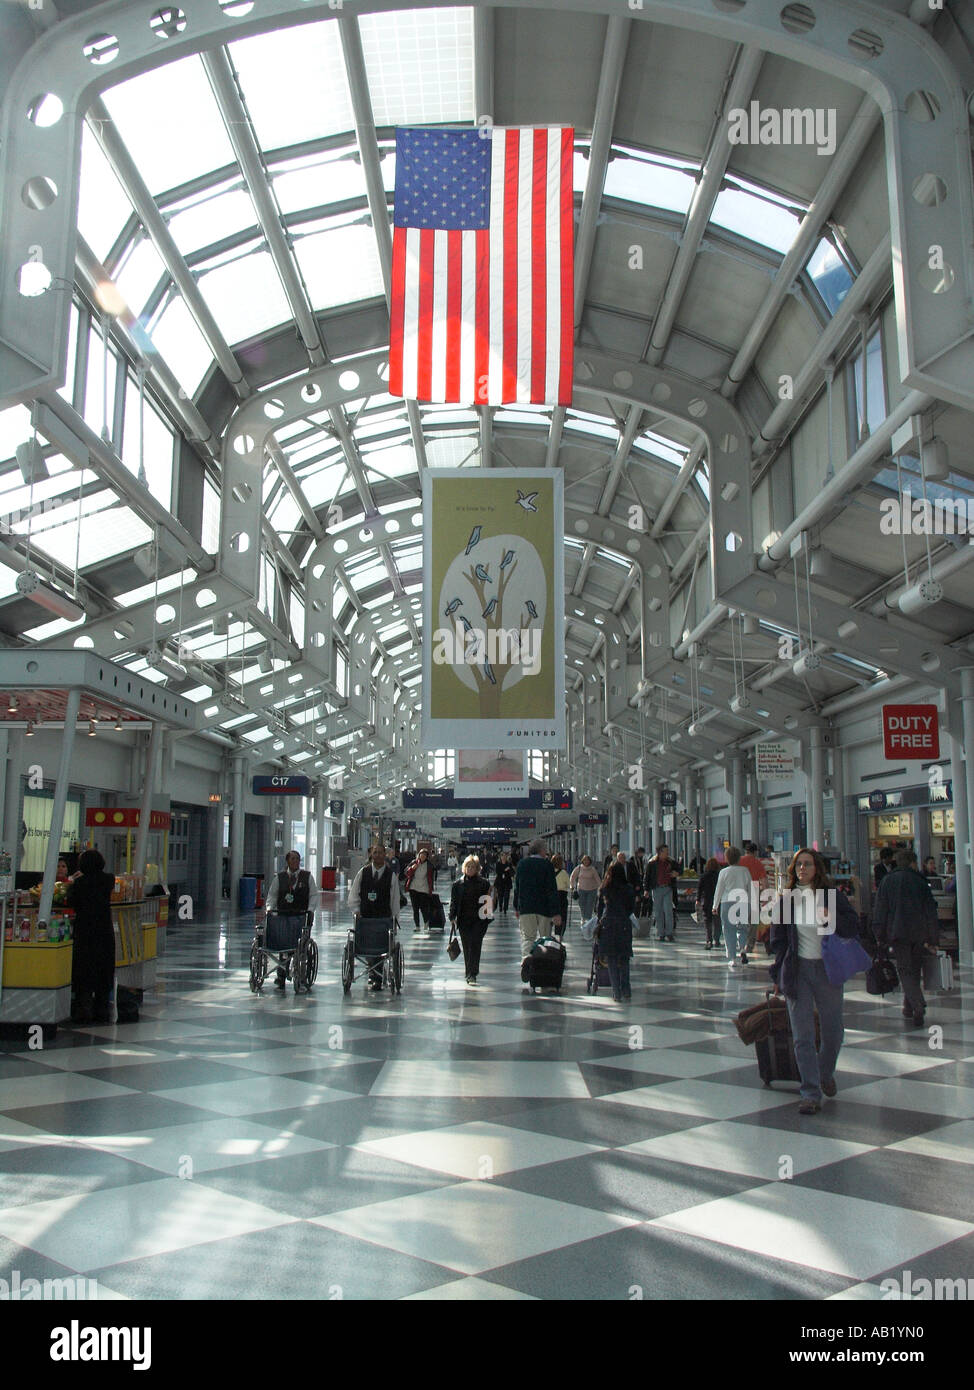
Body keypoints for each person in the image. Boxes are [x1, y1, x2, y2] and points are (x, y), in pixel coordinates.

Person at [769, 847, 863, 1115]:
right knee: (803, 1035)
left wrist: (831, 918)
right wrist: (777, 974)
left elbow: (853, 924)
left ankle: (824, 1072)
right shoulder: (787, 900)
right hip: (798, 970)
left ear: (816, 869)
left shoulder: (830, 896)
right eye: (799, 865)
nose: (802, 869)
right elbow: (778, 940)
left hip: (826, 970)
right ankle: (810, 1092)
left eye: (807, 864)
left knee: (833, 1031)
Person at [872, 848, 939, 1027]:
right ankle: (909, 1006)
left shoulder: (887, 881)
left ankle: (916, 1004)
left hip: (897, 933)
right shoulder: (920, 882)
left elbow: (880, 909)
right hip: (919, 933)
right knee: (914, 969)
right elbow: (930, 911)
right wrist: (933, 939)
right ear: (912, 862)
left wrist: (879, 934)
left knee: (905, 969)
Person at [66, 849, 116, 1025]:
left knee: (83, 970)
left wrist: (73, 881)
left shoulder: (79, 883)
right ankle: (102, 1010)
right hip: (104, 930)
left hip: (85, 930)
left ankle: (83, 1011)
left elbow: (71, 900)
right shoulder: (108, 879)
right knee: (103, 969)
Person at [348, 841, 404, 991]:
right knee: (368, 946)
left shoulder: (391, 876)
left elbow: (394, 899)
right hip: (365, 918)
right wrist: (356, 910)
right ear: (371, 855)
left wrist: (394, 919)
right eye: (375, 852)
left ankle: (376, 976)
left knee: (380, 947)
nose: (377, 855)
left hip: (383, 918)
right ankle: (375, 974)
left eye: (380, 853)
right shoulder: (363, 873)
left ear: (385, 856)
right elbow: (354, 894)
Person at [264, 849, 319, 991]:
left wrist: (310, 909)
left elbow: (313, 895)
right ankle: (281, 974)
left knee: (299, 944)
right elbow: (272, 895)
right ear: (287, 861)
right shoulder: (280, 878)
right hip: (283, 915)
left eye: (297, 859)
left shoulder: (307, 877)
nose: (295, 861)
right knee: (283, 945)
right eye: (292, 859)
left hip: (300, 916)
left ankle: (301, 974)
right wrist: (270, 908)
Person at [513, 838, 561, 962]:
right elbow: (552, 890)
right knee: (545, 937)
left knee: (528, 937)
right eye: (545, 849)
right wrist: (556, 912)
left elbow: (517, 887)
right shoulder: (547, 865)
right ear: (541, 850)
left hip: (526, 907)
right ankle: (543, 962)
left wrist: (516, 907)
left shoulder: (522, 864)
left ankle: (526, 960)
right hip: (544, 908)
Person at [449, 854, 495, 985]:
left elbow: (489, 901)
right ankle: (468, 971)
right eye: (468, 866)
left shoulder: (484, 883)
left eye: (472, 867)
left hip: (478, 920)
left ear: (477, 869)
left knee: (475, 945)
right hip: (463, 920)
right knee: (467, 946)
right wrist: (452, 917)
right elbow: (454, 902)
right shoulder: (457, 884)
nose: (470, 869)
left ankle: (472, 973)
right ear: (464, 868)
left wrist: (488, 917)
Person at [597, 861, 636, 1002]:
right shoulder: (629, 889)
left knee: (612, 959)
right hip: (624, 924)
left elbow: (599, 909)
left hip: (609, 925)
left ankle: (616, 991)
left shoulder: (605, 888)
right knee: (624, 958)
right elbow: (631, 908)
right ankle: (626, 989)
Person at [712, 846, 753, 969]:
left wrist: (715, 905)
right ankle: (743, 948)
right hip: (743, 902)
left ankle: (732, 958)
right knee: (743, 928)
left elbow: (719, 890)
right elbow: (750, 887)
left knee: (729, 930)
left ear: (727, 858)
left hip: (727, 902)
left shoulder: (723, 872)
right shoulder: (745, 871)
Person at [645, 844, 681, 941]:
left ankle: (669, 933)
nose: (667, 853)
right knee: (658, 911)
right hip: (656, 889)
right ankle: (661, 933)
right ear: (660, 852)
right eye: (665, 851)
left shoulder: (671, 862)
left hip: (668, 888)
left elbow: (679, 869)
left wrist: (677, 873)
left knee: (668, 910)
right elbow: (647, 876)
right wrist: (646, 889)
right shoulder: (652, 863)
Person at [738, 842, 767, 954]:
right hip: (754, 889)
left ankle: (741, 942)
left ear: (746, 851)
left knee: (741, 919)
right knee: (753, 920)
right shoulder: (758, 862)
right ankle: (749, 945)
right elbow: (764, 881)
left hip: (740, 890)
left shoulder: (739, 861)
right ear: (755, 852)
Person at [404, 847, 435, 931]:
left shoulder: (429, 865)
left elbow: (432, 877)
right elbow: (406, 872)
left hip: (424, 888)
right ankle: (417, 926)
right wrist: (412, 868)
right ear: (419, 855)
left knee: (423, 907)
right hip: (413, 888)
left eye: (425, 855)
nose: (422, 856)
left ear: (427, 856)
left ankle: (426, 922)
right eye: (421, 854)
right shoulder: (414, 862)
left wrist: (431, 888)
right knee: (415, 908)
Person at [696, 856, 722, 951]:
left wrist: (698, 899)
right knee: (717, 921)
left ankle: (709, 940)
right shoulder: (719, 876)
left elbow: (699, 889)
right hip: (718, 901)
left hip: (707, 901)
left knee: (708, 921)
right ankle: (717, 939)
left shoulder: (704, 876)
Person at [570, 854, 600, 925]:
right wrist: (572, 886)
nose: (586, 861)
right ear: (582, 861)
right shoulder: (579, 868)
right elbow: (573, 877)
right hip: (581, 889)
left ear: (590, 861)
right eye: (584, 860)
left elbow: (597, 879)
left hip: (592, 890)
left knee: (589, 905)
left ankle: (588, 919)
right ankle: (583, 917)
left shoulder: (592, 869)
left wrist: (601, 887)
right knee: (582, 904)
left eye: (587, 860)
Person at [551, 853, 571, 939]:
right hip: (562, 896)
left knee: (551, 914)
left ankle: (549, 931)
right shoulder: (564, 873)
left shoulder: (549, 872)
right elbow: (568, 884)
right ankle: (559, 934)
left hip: (551, 895)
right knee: (562, 916)